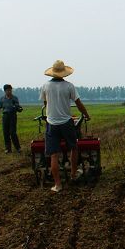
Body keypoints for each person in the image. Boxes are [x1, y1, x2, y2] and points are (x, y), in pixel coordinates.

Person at [39, 60, 91, 193]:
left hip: (51, 124)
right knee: (74, 147)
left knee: (54, 155)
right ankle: (73, 174)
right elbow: (78, 103)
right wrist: (86, 114)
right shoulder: (69, 86)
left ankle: (58, 185)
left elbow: (45, 103)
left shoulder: (45, 86)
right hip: (66, 123)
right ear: (63, 73)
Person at [0, 84, 23, 154]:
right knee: (5, 133)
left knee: (13, 133)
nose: (9, 91)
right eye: (8, 90)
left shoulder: (15, 98)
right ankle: (8, 149)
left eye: (10, 90)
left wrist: (18, 108)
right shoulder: (2, 99)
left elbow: (18, 107)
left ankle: (18, 148)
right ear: (5, 91)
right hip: (5, 117)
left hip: (13, 116)